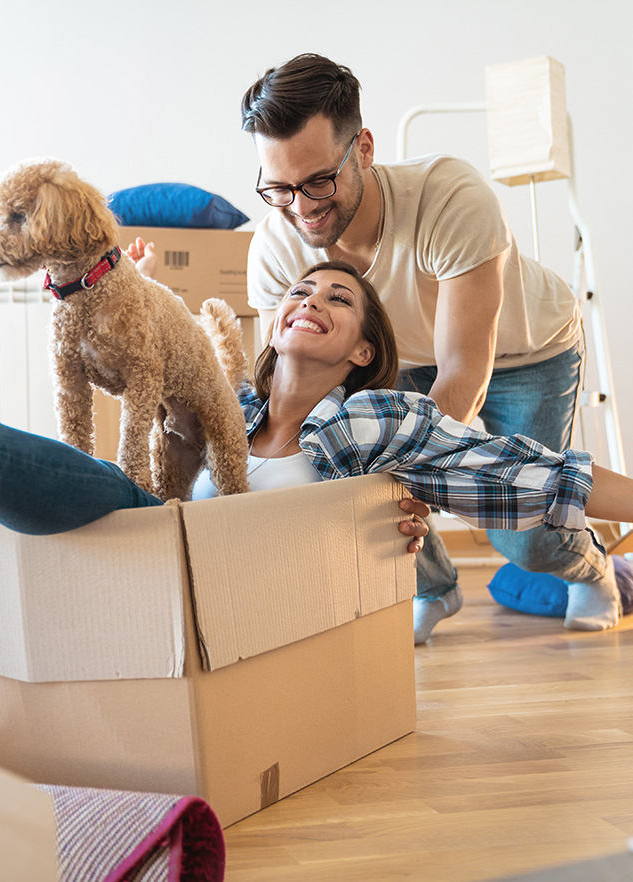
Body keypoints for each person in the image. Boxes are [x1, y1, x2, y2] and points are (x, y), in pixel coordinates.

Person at [0, 172, 632, 643]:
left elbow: (539, 475)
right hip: (153, 566)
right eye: (299, 289)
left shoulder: (377, 423)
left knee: (104, 497)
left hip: (230, 599)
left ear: (365, 351)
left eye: (338, 299)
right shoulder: (232, 408)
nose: (307, 299)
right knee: (80, 495)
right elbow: (135, 347)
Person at [239, 53, 617, 640]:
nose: (303, 207)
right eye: (279, 188)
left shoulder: (449, 197)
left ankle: (592, 568)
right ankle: (436, 589)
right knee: (352, 473)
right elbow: (285, 380)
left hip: (523, 351)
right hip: (397, 358)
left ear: (363, 148)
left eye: (319, 180)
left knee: (523, 536)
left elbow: (465, 368)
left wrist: (417, 473)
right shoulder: (274, 246)